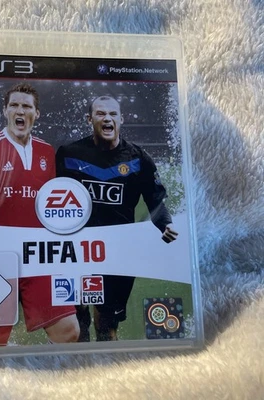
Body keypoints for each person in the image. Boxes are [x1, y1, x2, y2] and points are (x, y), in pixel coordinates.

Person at [0, 83, 79, 347]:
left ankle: (40, 370)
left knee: (68, 331)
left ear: (36, 113)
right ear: (5, 111)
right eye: (14, 105)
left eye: (26, 106)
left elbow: (53, 205)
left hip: (38, 255)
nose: (20, 111)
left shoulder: (46, 151)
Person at [56, 95, 178, 342]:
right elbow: (51, 199)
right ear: (89, 119)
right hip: (78, 250)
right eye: (100, 113)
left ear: (121, 119)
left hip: (120, 254)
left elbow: (155, 200)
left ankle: (106, 362)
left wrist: (165, 224)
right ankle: (80, 360)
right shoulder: (69, 155)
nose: (107, 118)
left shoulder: (138, 159)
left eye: (113, 114)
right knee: (79, 323)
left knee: (107, 327)